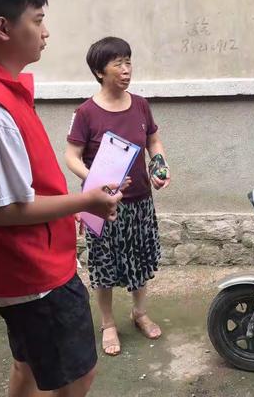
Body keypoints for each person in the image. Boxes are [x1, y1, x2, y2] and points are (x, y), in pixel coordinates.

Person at [0, 0, 123, 397]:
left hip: (27, 267)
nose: (45, 32)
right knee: (76, 377)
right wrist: (82, 201)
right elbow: (6, 210)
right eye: (37, 20)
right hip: (34, 273)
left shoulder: (10, 93)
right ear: (3, 28)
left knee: (28, 365)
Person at [65, 36, 170, 357]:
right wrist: (95, 180)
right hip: (102, 204)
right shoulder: (86, 112)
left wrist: (160, 164)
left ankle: (139, 312)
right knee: (105, 265)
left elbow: (153, 140)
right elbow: (71, 155)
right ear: (100, 71)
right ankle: (108, 322)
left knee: (139, 259)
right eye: (118, 64)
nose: (126, 70)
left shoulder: (140, 104)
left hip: (139, 201)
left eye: (129, 62)